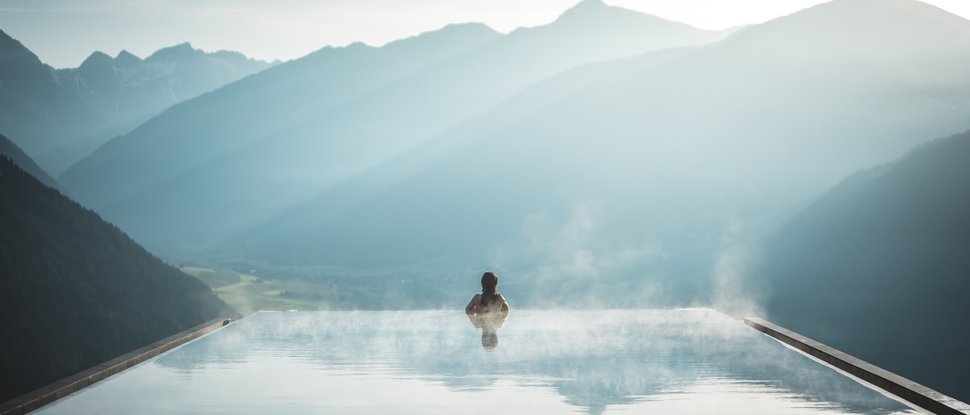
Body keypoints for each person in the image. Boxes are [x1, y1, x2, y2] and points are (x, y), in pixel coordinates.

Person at [465, 271, 510, 349]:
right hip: (495, 321)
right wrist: (500, 316)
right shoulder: (499, 298)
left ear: (482, 284)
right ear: (496, 284)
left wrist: (476, 312)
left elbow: (468, 310)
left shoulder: (478, 298)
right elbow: (506, 309)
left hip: (482, 321)